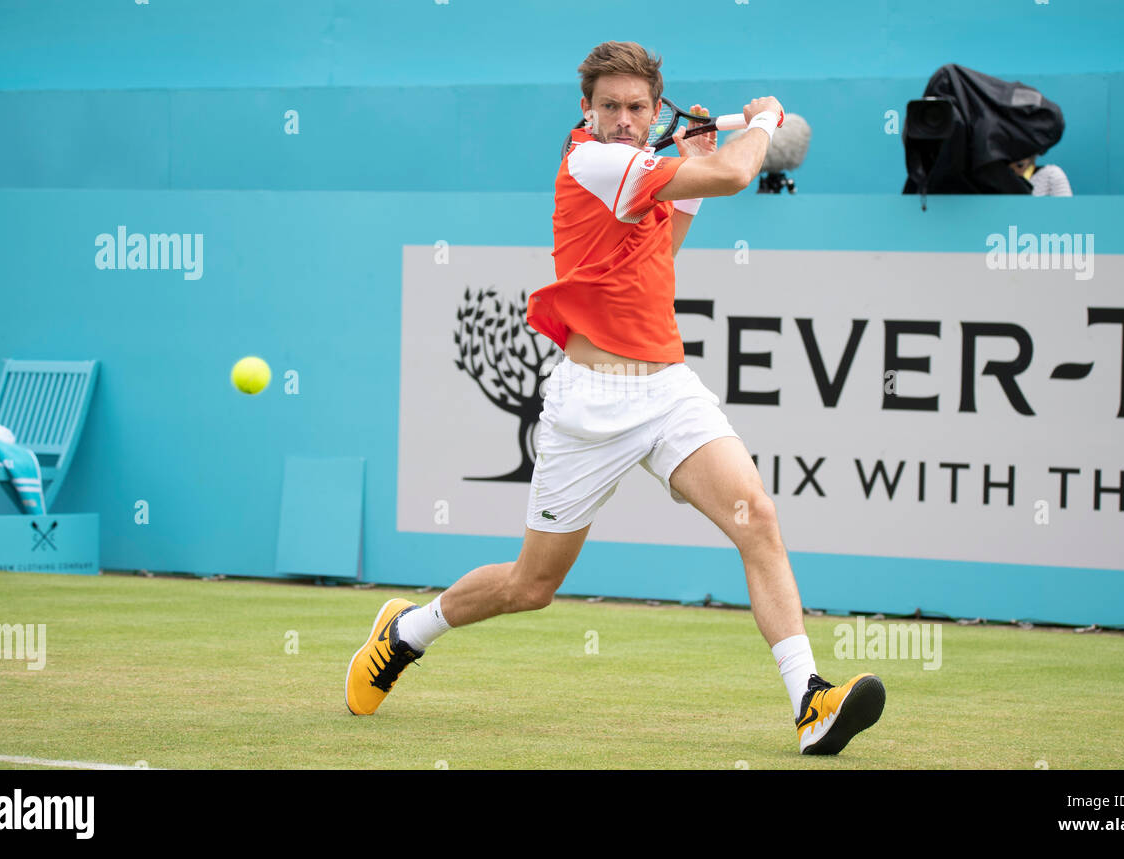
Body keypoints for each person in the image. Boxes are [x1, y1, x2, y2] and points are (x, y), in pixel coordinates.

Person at [345, 41, 885, 756]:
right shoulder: (591, 162)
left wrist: (686, 177)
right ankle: (406, 631)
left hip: (667, 391)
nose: (625, 120)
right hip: (588, 407)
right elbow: (734, 168)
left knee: (758, 517)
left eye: (637, 109)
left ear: (655, 109)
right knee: (530, 585)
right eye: (611, 108)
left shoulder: (642, 174)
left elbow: (661, 254)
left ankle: (810, 699)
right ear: (587, 111)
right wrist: (766, 119)